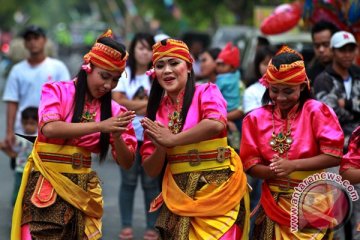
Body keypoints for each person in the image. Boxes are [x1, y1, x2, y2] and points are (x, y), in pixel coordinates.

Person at [11, 29, 137, 240]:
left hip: (83, 187)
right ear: (88, 68)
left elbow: (126, 162)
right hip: (47, 181)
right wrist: (101, 126)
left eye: (115, 80)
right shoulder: (57, 91)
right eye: (104, 76)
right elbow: (49, 128)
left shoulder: (116, 111)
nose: (108, 85)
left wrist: (115, 135)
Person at [139, 38, 250, 239]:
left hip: (217, 189)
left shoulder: (206, 91)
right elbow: (150, 168)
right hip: (178, 194)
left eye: (174, 63)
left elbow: (216, 123)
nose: (166, 71)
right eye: (160, 65)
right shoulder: (155, 111)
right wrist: (162, 147)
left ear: (189, 67)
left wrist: (172, 140)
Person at [240, 46, 344, 239]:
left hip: (312, 201)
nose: (280, 98)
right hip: (273, 203)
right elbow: (250, 164)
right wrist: (274, 171)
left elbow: (334, 155)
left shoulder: (316, 111)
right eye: (274, 90)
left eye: (288, 91)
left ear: (303, 86)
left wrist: (293, 165)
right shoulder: (255, 119)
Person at [2, 25, 70, 171]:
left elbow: (67, 100)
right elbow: (12, 102)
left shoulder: (58, 68)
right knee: (23, 178)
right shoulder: (17, 70)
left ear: (44, 40)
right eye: (29, 39)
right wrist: (9, 132)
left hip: (51, 134)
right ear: (25, 43)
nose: (33, 42)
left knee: (49, 180)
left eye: (36, 38)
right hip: (24, 133)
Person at [112, 32, 160, 240]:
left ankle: (152, 225)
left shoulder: (158, 74)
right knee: (128, 181)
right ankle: (126, 225)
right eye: (140, 48)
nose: (144, 52)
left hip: (153, 135)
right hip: (128, 135)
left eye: (148, 48)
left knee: (151, 183)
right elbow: (117, 100)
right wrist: (150, 105)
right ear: (133, 50)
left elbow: (163, 101)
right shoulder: (124, 73)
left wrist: (132, 105)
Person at [313, 30, 360, 149]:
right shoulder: (323, 80)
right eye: (342, 50)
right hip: (337, 145)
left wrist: (347, 104)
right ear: (333, 51)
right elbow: (331, 115)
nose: (347, 54)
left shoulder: (358, 74)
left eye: (351, 50)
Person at [0, 107, 38, 205]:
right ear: (21, 122)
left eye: (32, 123)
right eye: (25, 123)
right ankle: (16, 206)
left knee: (31, 191)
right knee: (17, 190)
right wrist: (12, 154)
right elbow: (8, 148)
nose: (28, 126)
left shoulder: (38, 138)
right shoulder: (18, 137)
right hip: (20, 170)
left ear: (38, 123)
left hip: (33, 170)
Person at [215, 42, 243, 150]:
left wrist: (226, 119)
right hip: (234, 115)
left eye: (223, 65)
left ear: (231, 67)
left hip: (226, 113)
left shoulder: (222, 79)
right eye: (218, 64)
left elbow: (215, 95)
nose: (219, 68)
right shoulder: (237, 76)